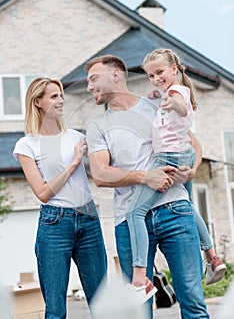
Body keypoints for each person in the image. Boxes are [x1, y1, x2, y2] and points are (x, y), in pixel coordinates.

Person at [85, 54, 210, 318]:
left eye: (94, 78)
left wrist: (192, 170)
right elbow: (100, 174)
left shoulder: (156, 104)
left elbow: (194, 146)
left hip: (175, 210)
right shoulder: (97, 126)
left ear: (116, 75)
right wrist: (146, 176)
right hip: (129, 221)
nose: (88, 87)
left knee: (193, 302)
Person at [124, 48, 226, 292]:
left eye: (160, 72)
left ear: (174, 69)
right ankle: (212, 257)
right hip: (182, 153)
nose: (156, 78)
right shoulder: (171, 91)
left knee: (134, 213)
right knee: (187, 206)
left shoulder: (177, 92)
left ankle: (140, 280)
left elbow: (179, 105)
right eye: (150, 75)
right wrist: (159, 96)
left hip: (168, 157)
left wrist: (169, 100)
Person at [13, 77, 107, 319]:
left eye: (61, 95)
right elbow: (43, 193)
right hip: (55, 224)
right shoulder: (27, 145)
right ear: (38, 102)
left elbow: (104, 169)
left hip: (88, 220)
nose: (61, 100)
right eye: (54, 96)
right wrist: (74, 162)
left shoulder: (76, 137)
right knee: (55, 309)